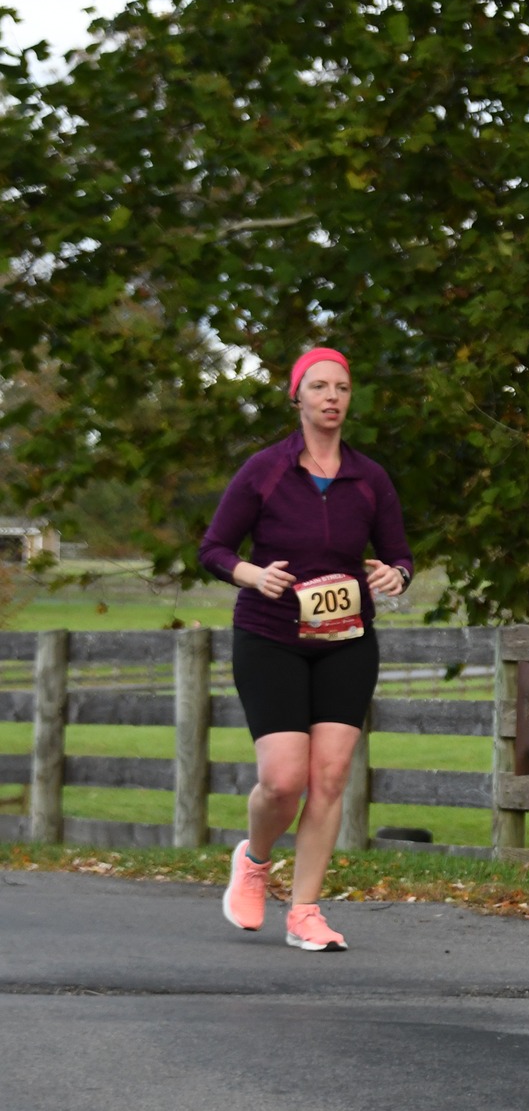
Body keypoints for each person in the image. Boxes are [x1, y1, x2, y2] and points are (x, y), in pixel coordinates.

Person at [200, 346, 414, 952]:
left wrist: (395, 575)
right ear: (297, 397)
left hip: (346, 640)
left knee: (330, 776)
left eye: (341, 388)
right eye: (318, 387)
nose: (331, 398)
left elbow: (400, 554)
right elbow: (213, 548)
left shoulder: (369, 478)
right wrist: (252, 574)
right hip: (271, 637)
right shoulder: (265, 470)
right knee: (284, 779)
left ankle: (305, 912)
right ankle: (255, 860)